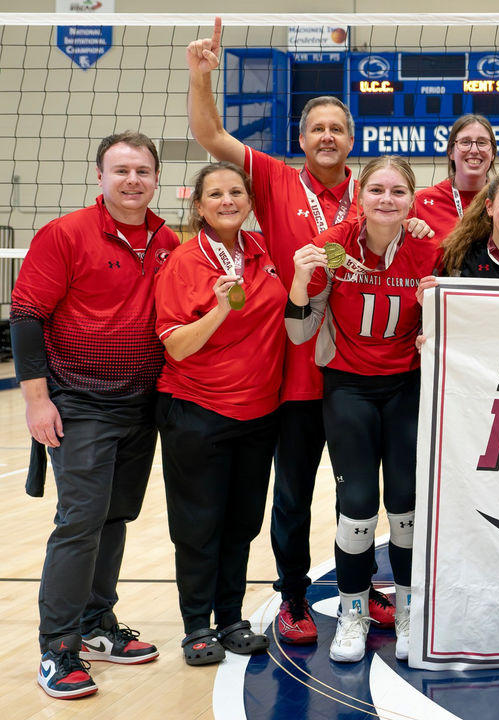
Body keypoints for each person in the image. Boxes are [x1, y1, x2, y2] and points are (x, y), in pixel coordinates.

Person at [186, 17, 398, 641]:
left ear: (352, 138)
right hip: (299, 369)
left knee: (362, 494)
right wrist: (203, 77)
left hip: (364, 371)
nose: (327, 136)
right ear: (300, 138)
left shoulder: (377, 192)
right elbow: (211, 135)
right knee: (294, 496)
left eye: (338, 128)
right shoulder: (275, 178)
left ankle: (362, 587)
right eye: (317, 128)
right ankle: (294, 598)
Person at [13, 131, 176, 699]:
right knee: (80, 520)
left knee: (115, 516)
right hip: (80, 401)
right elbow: (27, 317)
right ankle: (57, 649)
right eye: (120, 170)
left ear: (156, 179)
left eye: (142, 171)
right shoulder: (65, 234)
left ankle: (93, 624)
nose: (132, 180)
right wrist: (37, 400)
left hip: (142, 403)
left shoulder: (168, 240)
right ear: (100, 177)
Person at [286, 156, 438, 663]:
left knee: (406, 509)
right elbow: (300, 332)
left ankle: (410, 610)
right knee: (357, 512)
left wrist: (436, 318)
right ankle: (353, 613)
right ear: (360, 196)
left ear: (412, 200)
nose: (387, 200)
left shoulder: (429, 248)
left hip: (406, 390)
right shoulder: (333, 244)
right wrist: (299, 283)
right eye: (377, 190)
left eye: (398, 191)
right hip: (348, 388)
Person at [154, 162, 285, 666]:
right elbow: (177, 349)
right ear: (199, 205)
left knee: (242, 523)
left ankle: (230, 617)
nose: (228, 200)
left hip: (259, 412)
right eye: (216, 194)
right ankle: (195, 627)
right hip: (197, 410)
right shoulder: (184, 262)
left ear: (249, 201)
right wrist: (219, 310)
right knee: (198, 524)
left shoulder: (262, 252)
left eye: (236, 192)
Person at [412, 114, 497, 240]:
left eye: (482, 142)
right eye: (465, 142)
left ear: (493, 154)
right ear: (450, 152)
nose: (474, 150)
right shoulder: (420, 203)